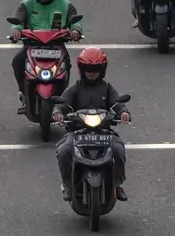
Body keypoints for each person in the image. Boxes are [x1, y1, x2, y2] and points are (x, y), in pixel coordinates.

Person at [51, 48, 131, 202]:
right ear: (82, 70)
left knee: (118, 150)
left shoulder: (107, 88)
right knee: (64, 150)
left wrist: (124, 112)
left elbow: (117, 103)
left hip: (104, 132)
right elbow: (62, 103)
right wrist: (57, 112)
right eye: (88, 70)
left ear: (102, 70)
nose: (92, 73)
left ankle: (117, 184)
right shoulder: (75, 87)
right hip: (76, 131)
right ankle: (68, 185)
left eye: (96, 70)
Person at [8, 0, 84, 114]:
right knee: (17, 61)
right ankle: (23, 94)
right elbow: (17, 21)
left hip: (56, 46)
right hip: (32, 45)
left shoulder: (65, 5)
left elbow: (75, 22)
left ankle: (65, 99)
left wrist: (76, 31)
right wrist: (16, 30)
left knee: (67, 64)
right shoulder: (26, 4)